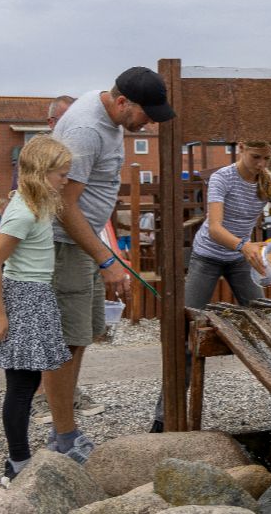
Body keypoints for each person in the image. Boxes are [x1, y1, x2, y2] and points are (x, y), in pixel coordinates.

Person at [43, 66, 176, 458]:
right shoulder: (87, 130)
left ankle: (65, 428)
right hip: (64, 243)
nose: (150, 122)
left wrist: (105, 249)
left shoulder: (107, 113)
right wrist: (107, 260)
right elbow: (64, 205)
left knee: (84, 333)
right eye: (146, 114)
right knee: (66, 340)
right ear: (121, 102)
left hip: (83, 242)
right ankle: (64, 437)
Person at [151, 140, 271, 432]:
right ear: (241, 148)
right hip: (209, 255)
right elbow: (216, 227)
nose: (261, 164)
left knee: (264, 329)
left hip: (242, 258)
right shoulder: (223, 178)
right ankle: (164, 417)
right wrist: (244, 246)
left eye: (267, 158)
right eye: (256, 157)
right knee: (185, 334)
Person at [0, 135, 73, 486]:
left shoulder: (39, 203)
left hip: (37, 295)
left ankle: (19, 457)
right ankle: (17, 461)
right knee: (21, 385)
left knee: (30, 378)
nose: (66, 179)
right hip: (21, 299)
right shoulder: (21, 212)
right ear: (41, 172)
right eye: (62, 174)